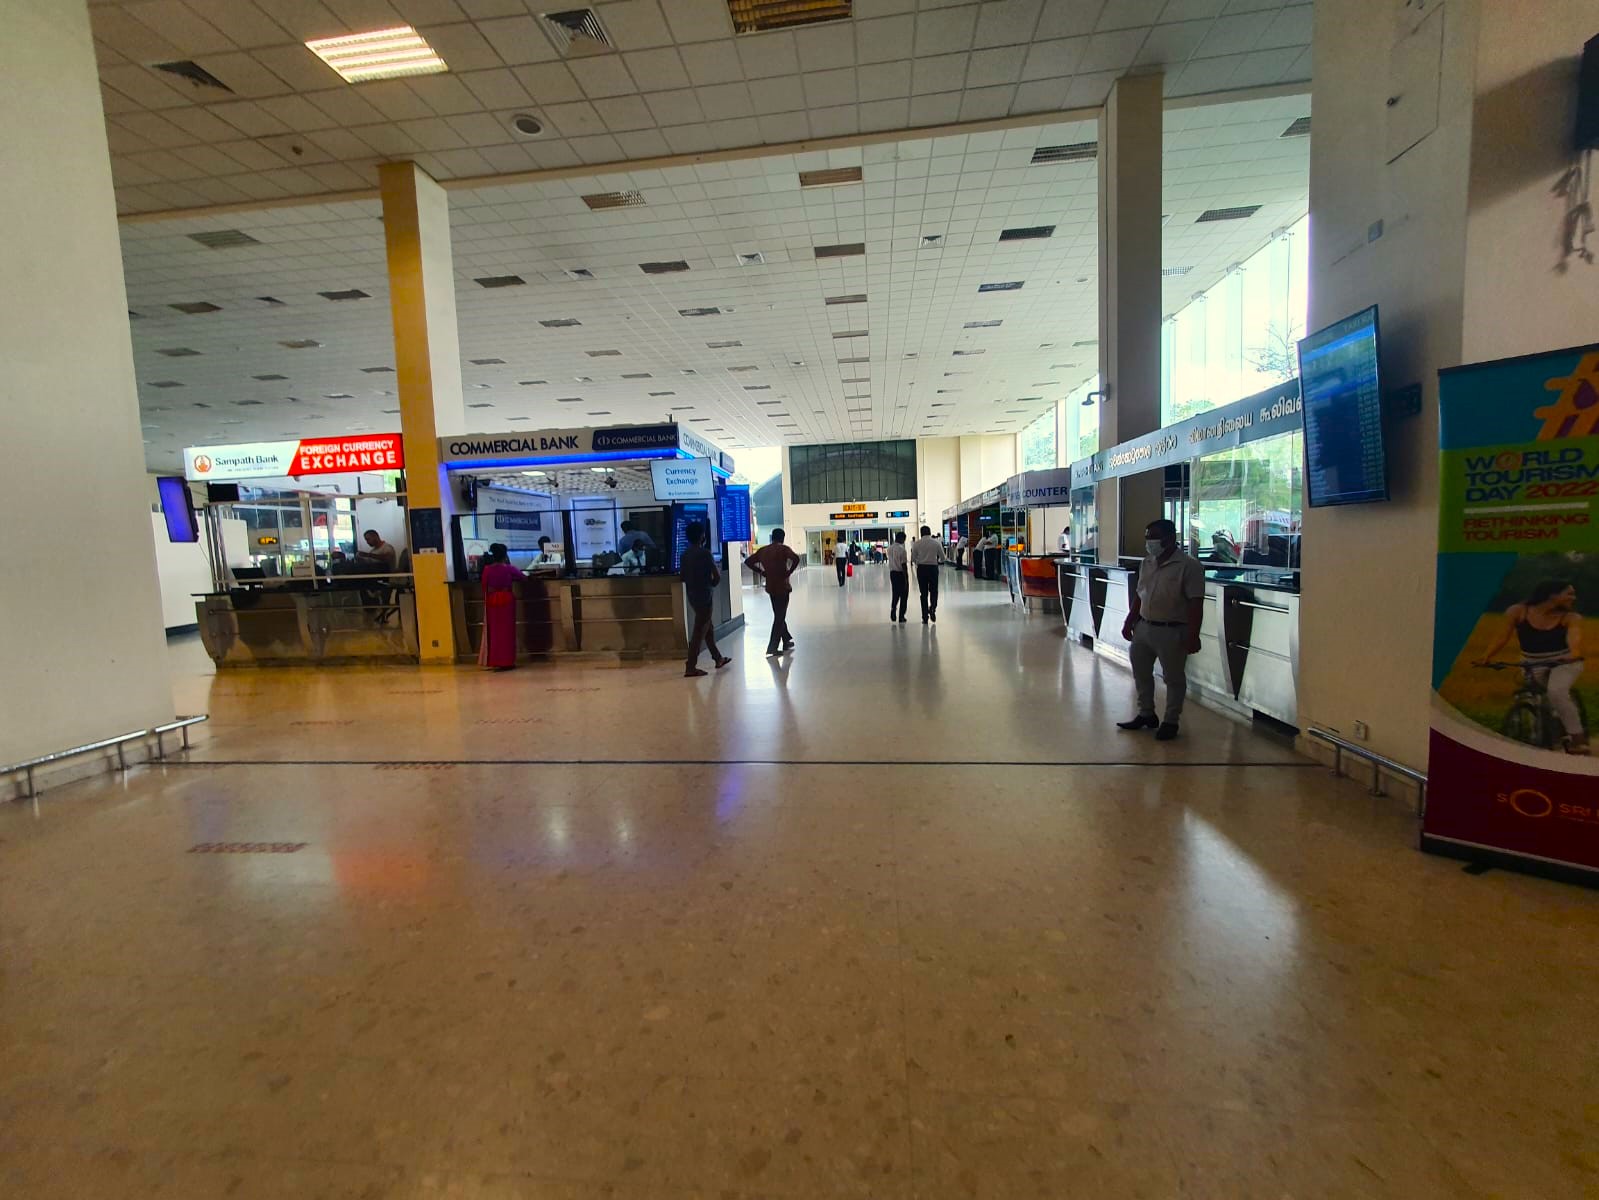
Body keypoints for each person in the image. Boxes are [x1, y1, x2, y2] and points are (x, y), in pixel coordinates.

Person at [1117, 518, 1206, 741]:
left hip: (1172, 630)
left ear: (1169, 538)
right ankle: (1146, 713)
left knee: (1173, 678)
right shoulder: (1147, 563)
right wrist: (1130, 620)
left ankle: (1171, 720)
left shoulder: (1189, 566)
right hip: (1144, 627)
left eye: (1153, 537)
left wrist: (1193, 635)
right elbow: (1140, 594)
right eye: (1147, 537)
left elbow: (1196, 603)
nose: (1149, 542)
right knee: (1141, 673)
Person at [1476, 579, 1588, 754]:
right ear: (1552, 595)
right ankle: (1540, 731)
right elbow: (1502, 636)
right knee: (1530, 694)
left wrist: (1573, 654)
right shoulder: (1518, 611)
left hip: (1564, 662)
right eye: (1569, 593)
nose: (1573, 597)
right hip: (1531, 661)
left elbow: (1574, 637)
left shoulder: (1570, 617)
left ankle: (1577, 738)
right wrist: (1486, 657)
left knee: (1556, 692)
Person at [679, 521, 731, 678]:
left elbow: (682, 576)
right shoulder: (705, 553)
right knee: (699, 631)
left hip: (692, 596)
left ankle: (718, 658)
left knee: (708, 628)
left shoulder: (684, 555)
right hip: (705, 596)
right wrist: (711, 584)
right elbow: (716, 576)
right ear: (702, 536)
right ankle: (691, 666)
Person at [746, 527, 801, 657]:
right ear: (782, 538)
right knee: (779, 616)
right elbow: (796, 559)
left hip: (771, 587)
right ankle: (772, 646)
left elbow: (748, 562)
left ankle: (786, 639)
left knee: (778, 613)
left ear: (772, 537)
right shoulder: (783, 549)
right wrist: (789, 571)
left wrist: (762, 572)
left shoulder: (763, 551)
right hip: (782, 586)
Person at [478, 544, 526, 671]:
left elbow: (484, 586)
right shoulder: (509, 569)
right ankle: (507, 661)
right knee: (507, 632)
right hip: (507, 601)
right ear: (505, 556)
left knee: (494, 633)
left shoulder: (487, 569)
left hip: (492, 601)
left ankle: (495, 660)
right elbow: (523, 578)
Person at [910, 525, 943, 624]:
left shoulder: (916, 544)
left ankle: (925, 616)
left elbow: (912, 559)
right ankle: (932, 608)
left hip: (922, 569)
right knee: (934, 591)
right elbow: (943, 557)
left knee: (923, 594)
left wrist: (919, 562)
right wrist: (936, 560)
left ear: (921, 533)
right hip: (933, 568)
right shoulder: (936, 543)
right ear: (930, 532)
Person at [887, 530, 910, 624]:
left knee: (895, 593)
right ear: (901, 539)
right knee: (904, 595)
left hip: (892, 573)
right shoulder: (902, 549)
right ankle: (901, 616)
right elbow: (904, 565)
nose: (904, 541)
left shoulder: (889, 548)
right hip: (901, 574)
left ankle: (893, 609)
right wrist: (906, 578)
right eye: (904, 539)